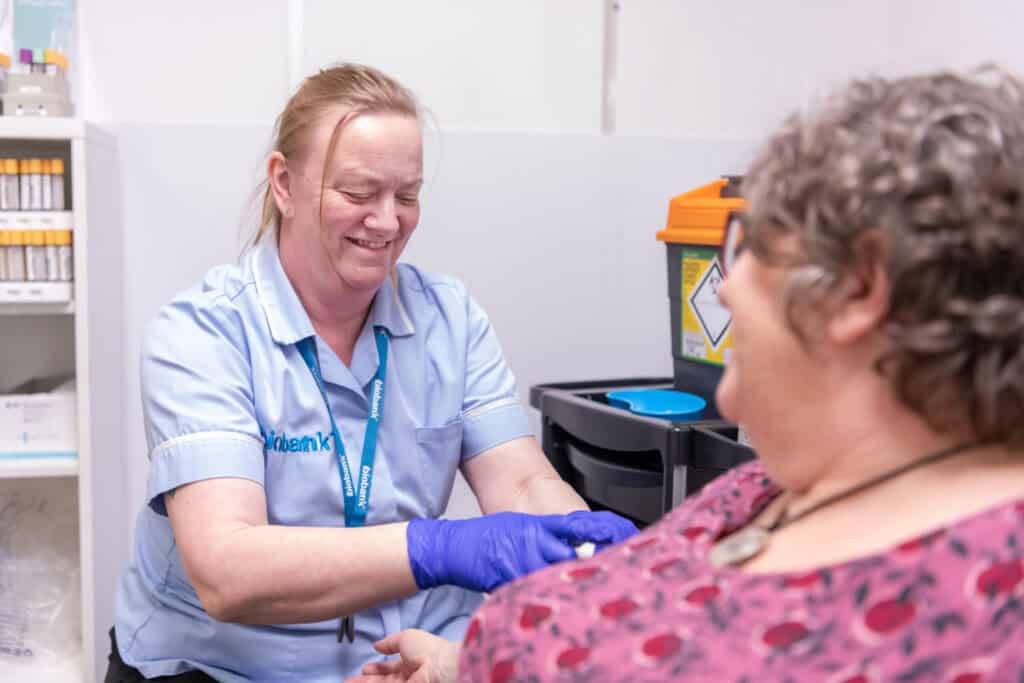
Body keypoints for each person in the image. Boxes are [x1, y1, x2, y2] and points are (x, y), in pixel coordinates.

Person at [348, 67, 1024, 683]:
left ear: (858, 289)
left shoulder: (979, 609)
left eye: (747, 246)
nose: (722, 291)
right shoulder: (763, 486)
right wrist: (458, 665)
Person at [106, 64, 637, 683]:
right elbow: (228, 570)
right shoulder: (203, 334)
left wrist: (583, 553)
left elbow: (518, 484)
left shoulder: (449, 318)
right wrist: (440, 548)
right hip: (227, 665)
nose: (387, 222)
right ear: (283, 184)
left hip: (413, 655)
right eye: (359, 194)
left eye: (407, 196)